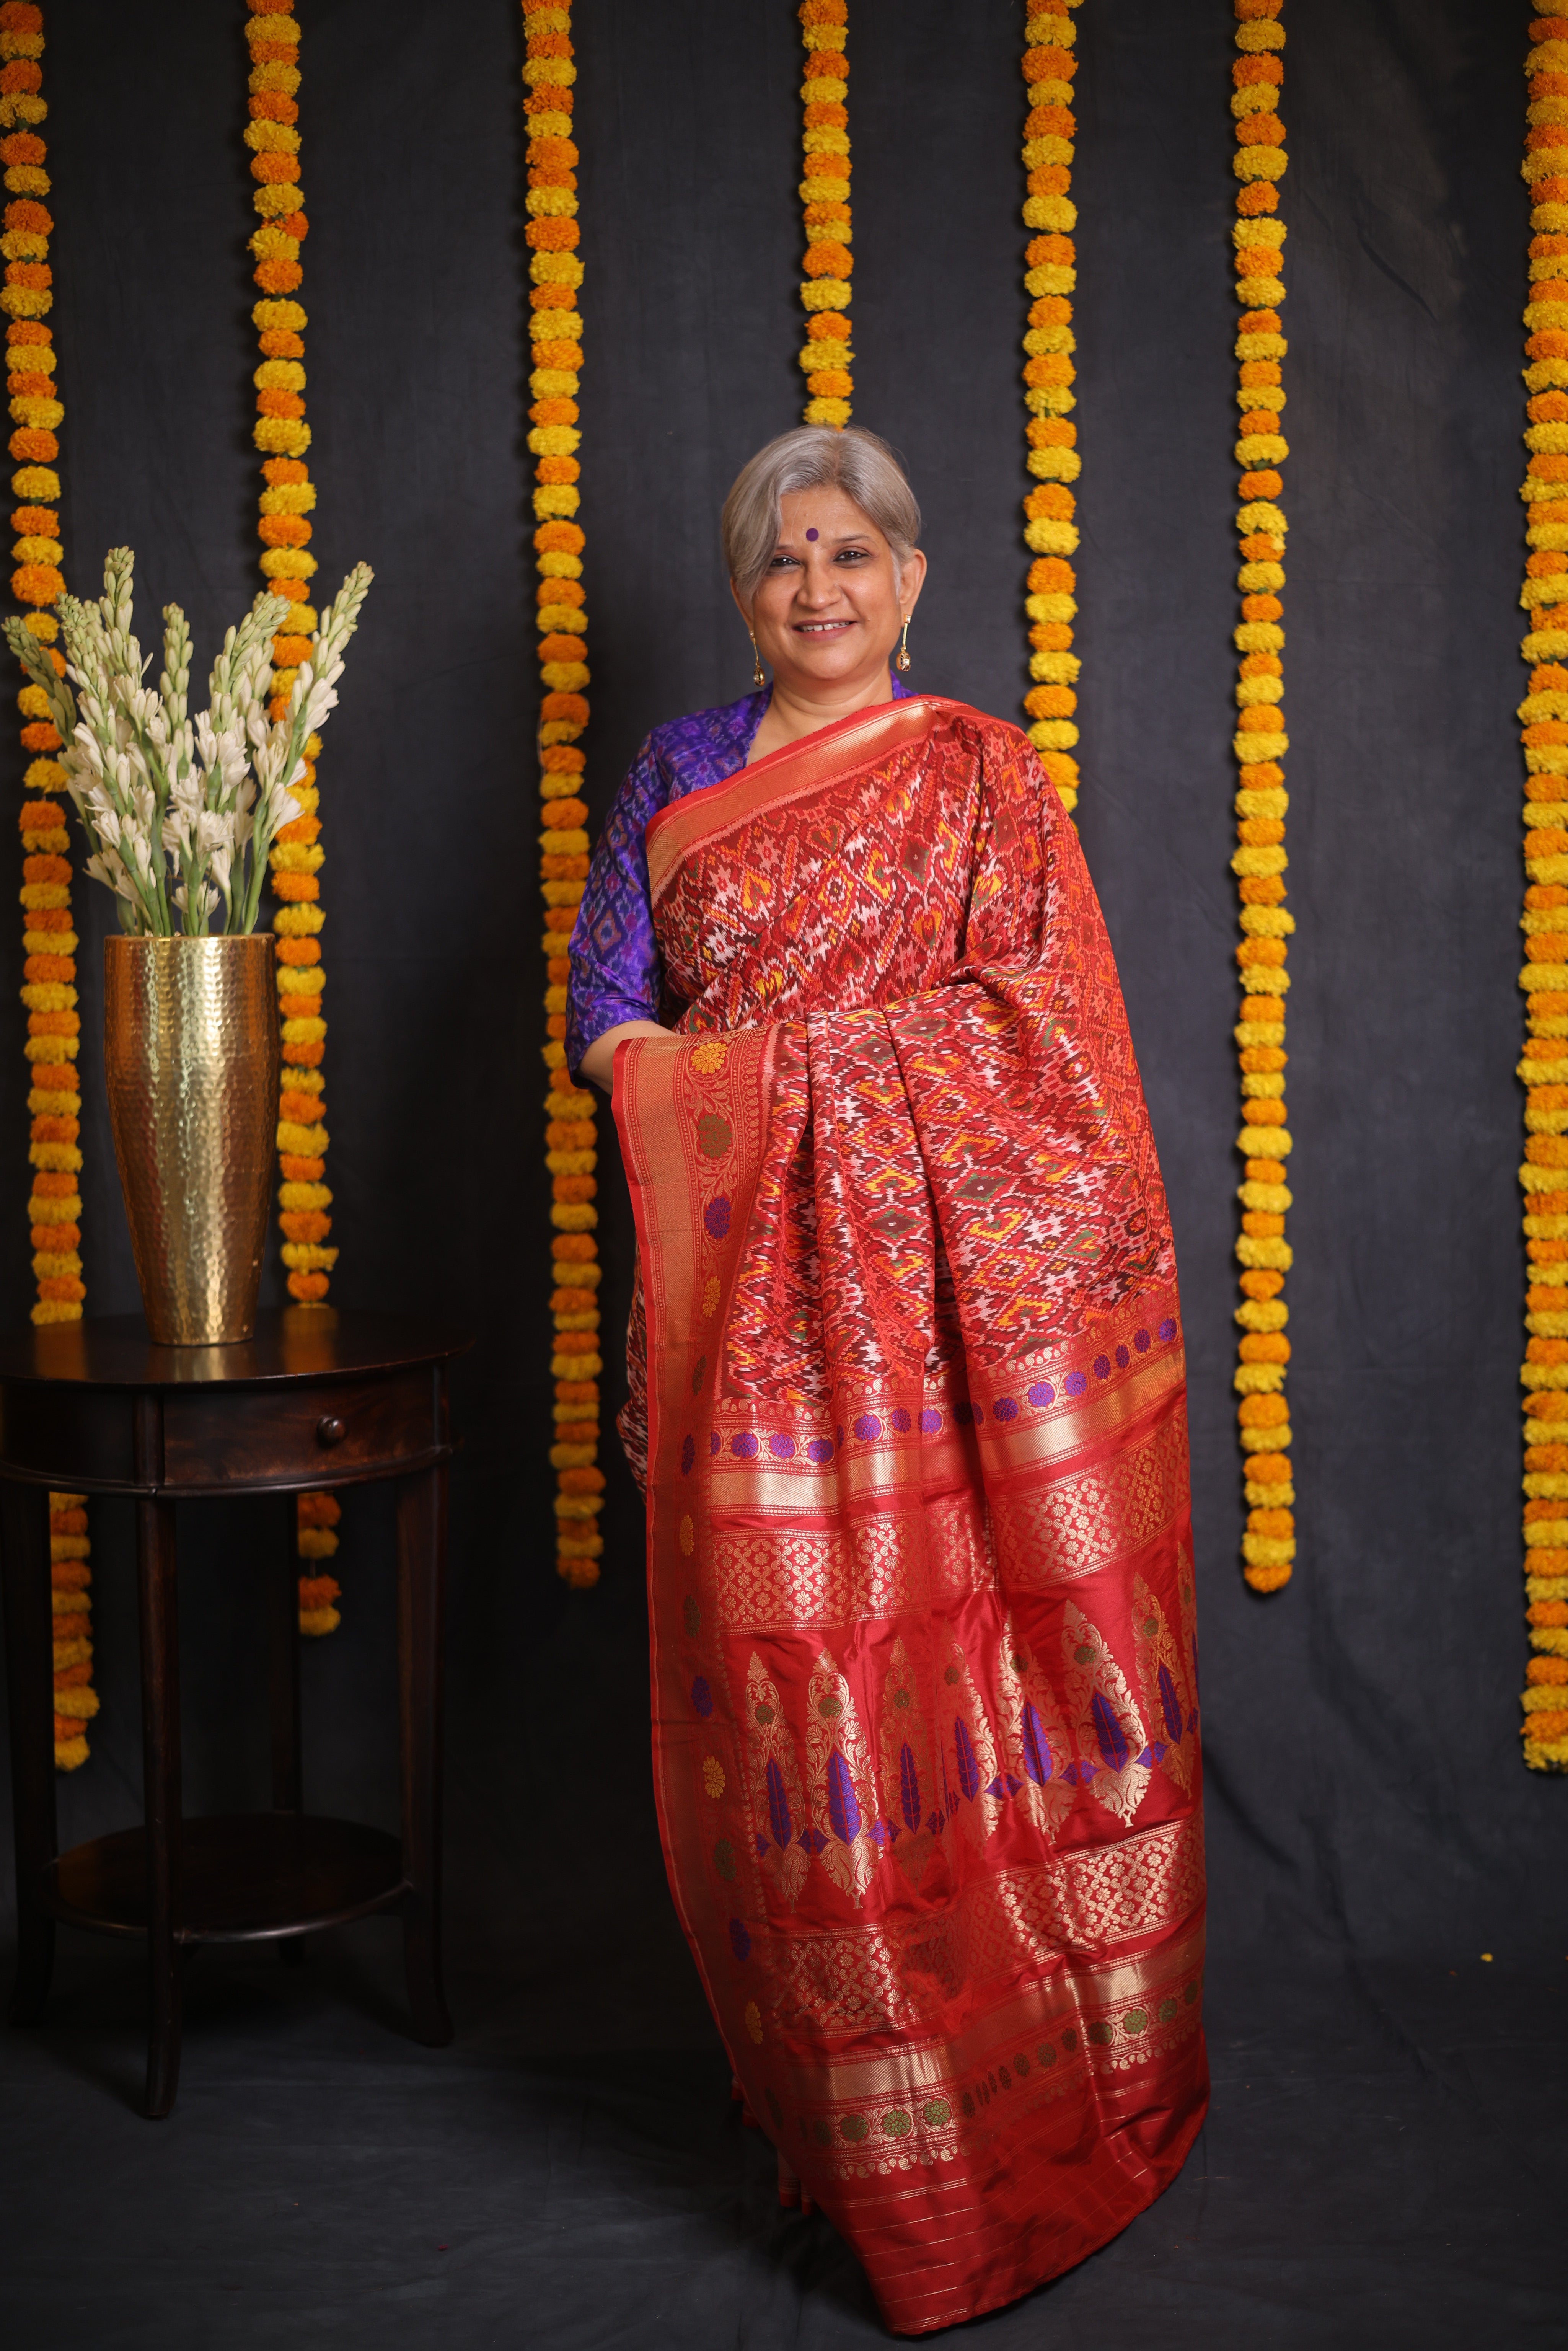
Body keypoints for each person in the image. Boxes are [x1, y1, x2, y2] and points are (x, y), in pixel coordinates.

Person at [567, 426, 1207, 2336]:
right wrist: (704, 1082)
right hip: (751, 1325)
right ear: (741, 589)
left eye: (849, 553)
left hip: (961, 1330)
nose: (816, 589)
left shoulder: (983, 775)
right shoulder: (678, 775)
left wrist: (822, 1072)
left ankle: (1055, 2093)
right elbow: (603, 1004)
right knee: (801, 1718)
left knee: (1006, 1684)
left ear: (910, 580)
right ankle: (860, 2142)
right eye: (781, 559)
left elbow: (1053, 1033)